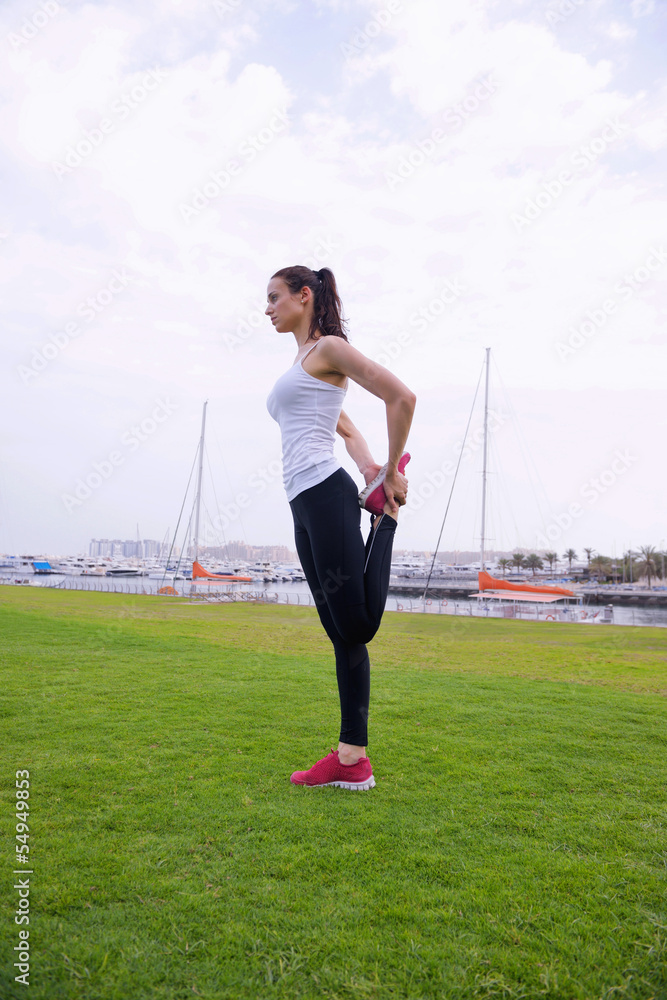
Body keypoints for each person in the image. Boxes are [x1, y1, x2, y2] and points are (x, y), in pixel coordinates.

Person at [265, 265, 416, 791]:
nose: (267, 308)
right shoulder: (303, 361)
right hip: (302, 502)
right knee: (339, 632)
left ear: (304, 296)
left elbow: (401, 397)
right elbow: (346, 427)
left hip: (325, 493)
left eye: (274, 297)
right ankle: (351, 760)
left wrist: (392, 471)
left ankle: (387, 518)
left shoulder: (328, 348)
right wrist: (372, 467)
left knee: (357, 627)